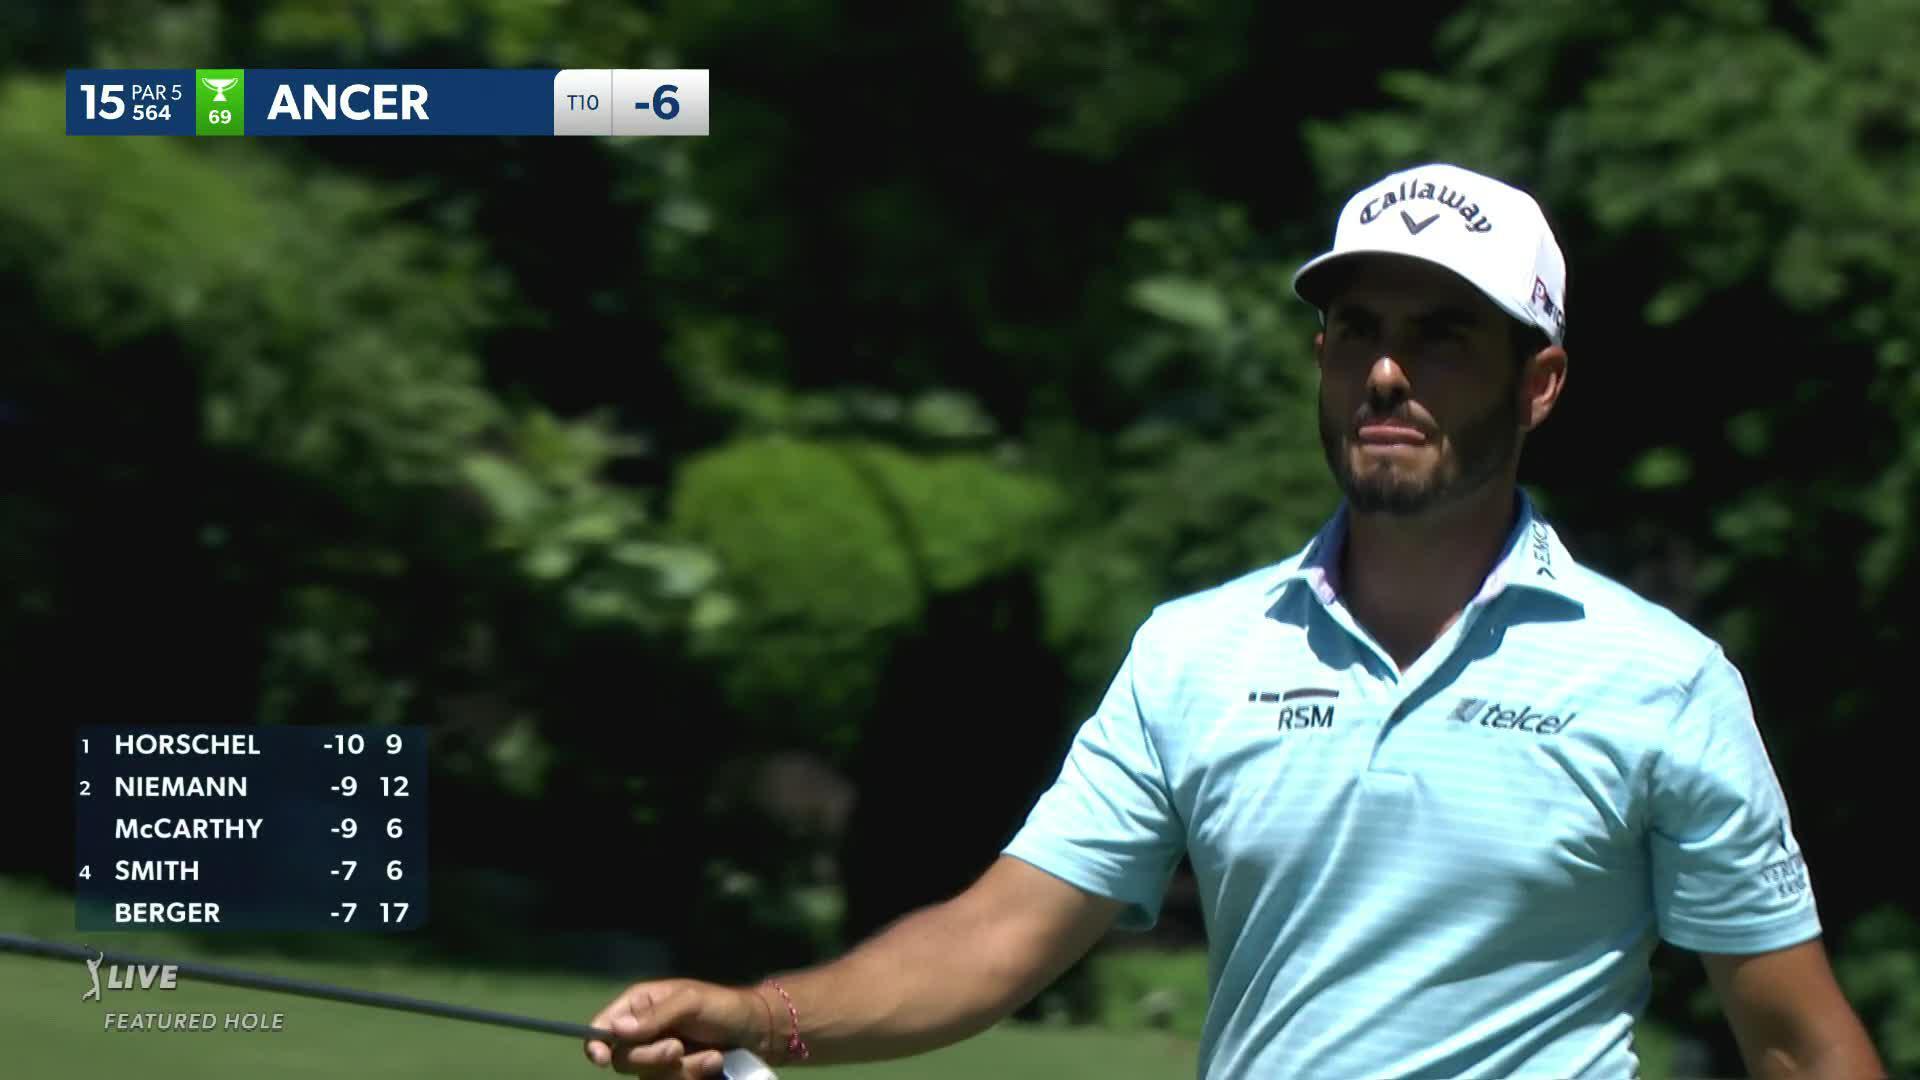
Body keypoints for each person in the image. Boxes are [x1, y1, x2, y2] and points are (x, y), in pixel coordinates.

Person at [582, 163, 1887, 1078]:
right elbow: (993, 944)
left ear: (1536, 381)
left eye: (1442, 336)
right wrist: (754, 1014)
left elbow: (1795, 1042)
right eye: (1354, 329)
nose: (1386, 369)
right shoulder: (1195, 652)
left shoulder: (1662, 679)